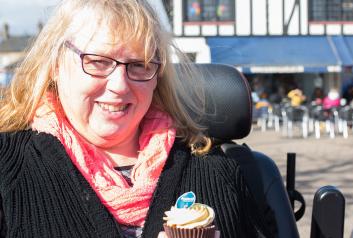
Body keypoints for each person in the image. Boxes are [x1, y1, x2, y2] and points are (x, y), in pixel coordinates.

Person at [0, 1, 276, 237]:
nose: (119, 85)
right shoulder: (8, 168)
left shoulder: (216, 170)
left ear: (157, 76)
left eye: (140, 65)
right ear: (56, 66)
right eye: (97, 61)